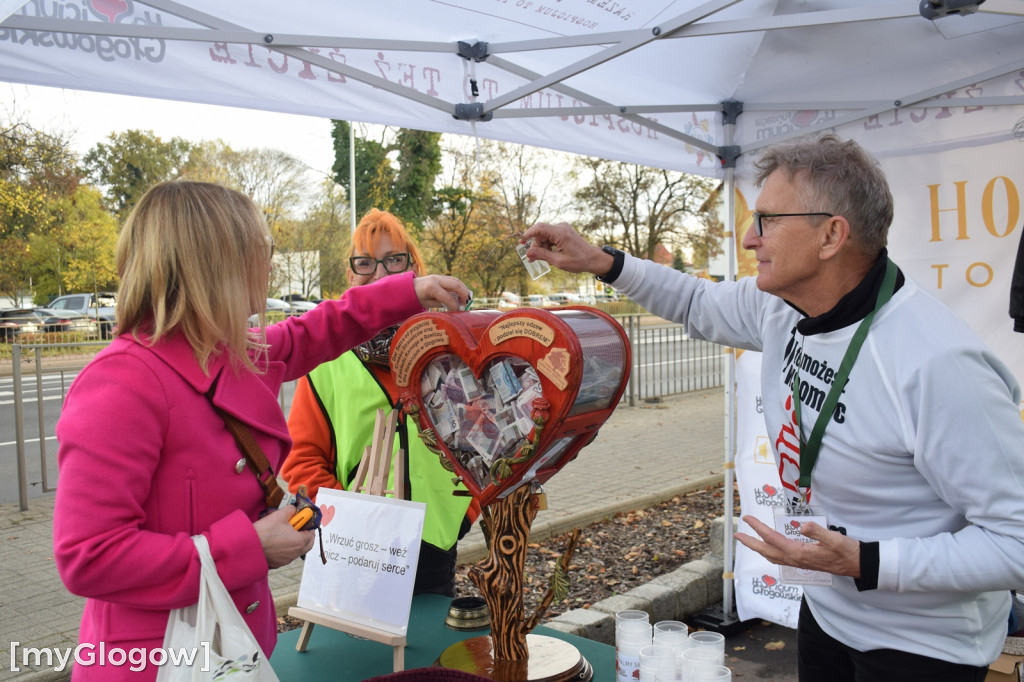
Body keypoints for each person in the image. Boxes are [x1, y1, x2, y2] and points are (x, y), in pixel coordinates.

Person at [522, 134, 1024, 681]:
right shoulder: (779, 305)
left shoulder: (937, 365)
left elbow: (1016, 543)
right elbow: (695, 302)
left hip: (922, 648)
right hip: (829, 614)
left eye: (767, 221)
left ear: (832, 234)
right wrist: (599, 261)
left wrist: (866, 562)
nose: (748, 237)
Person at [52, 182, 470, 681]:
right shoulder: (122, 381)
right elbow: (88, 557)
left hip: (232, 650)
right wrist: (251, 546)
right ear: (218, 263)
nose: (268, 264)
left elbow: (315, 330)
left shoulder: (228, 351)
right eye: (262, 250)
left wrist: (409, 291)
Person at [283, 208, 478, 596]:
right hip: (353, 549)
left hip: (433, 542)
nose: (380, 273)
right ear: (351, 274)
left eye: (394, 260)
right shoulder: (325, 359)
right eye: (366, 262)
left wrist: (463, 512)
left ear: (414, 271)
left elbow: (477, 439)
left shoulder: (444, 350)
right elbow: (301, 460)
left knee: (428, 651)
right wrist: (343, 526)